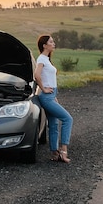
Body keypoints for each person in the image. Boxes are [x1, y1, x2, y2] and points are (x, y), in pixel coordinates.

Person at [34, 34, 73, 163]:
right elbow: (37, 75)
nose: (53, 43)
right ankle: (63, 150)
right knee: (67, 119)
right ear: (44, 45)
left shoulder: (46, 59)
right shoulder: (41, 59)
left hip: (50, 96)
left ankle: (55, 153)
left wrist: (53, 96)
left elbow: (46, 77)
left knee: (54, 124)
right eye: (51, 41)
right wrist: (44, 89)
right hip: (46, 96)